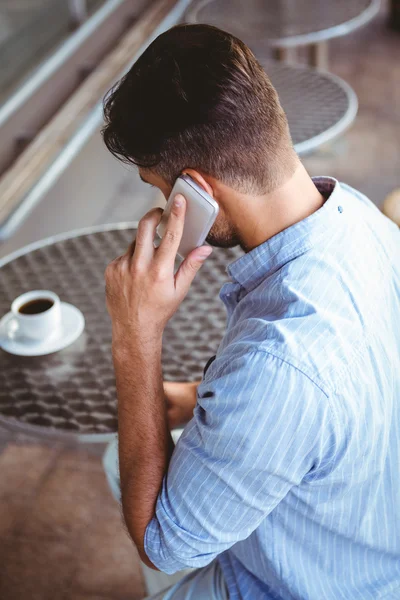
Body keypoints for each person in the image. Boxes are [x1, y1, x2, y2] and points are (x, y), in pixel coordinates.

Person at [101, 23, 400, 600]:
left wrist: (135, 337)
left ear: (195, 190)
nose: (164, 207)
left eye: (160, 189)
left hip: (307, 583)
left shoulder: (282, 364)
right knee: (128, 456)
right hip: (367, 527)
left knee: (141, 493)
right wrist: (198, 398)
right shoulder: (354, 214)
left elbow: (160, 542)